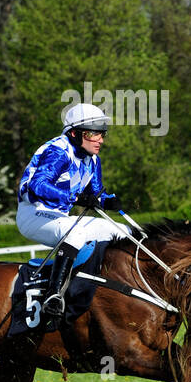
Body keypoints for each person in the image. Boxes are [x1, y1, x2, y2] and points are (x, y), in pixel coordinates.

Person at [16, 102, 130, 320]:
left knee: (122, 231)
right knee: (75, 233)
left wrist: (107, 202)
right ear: (76, 133)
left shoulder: (93, 160)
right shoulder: (58, 151)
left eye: (102, 134)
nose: (101, 140)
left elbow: (95, 194)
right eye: (94, 134)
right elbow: (37, 186)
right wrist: (76, 197)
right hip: (34, 214)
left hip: (60, 217)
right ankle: (54, 294)